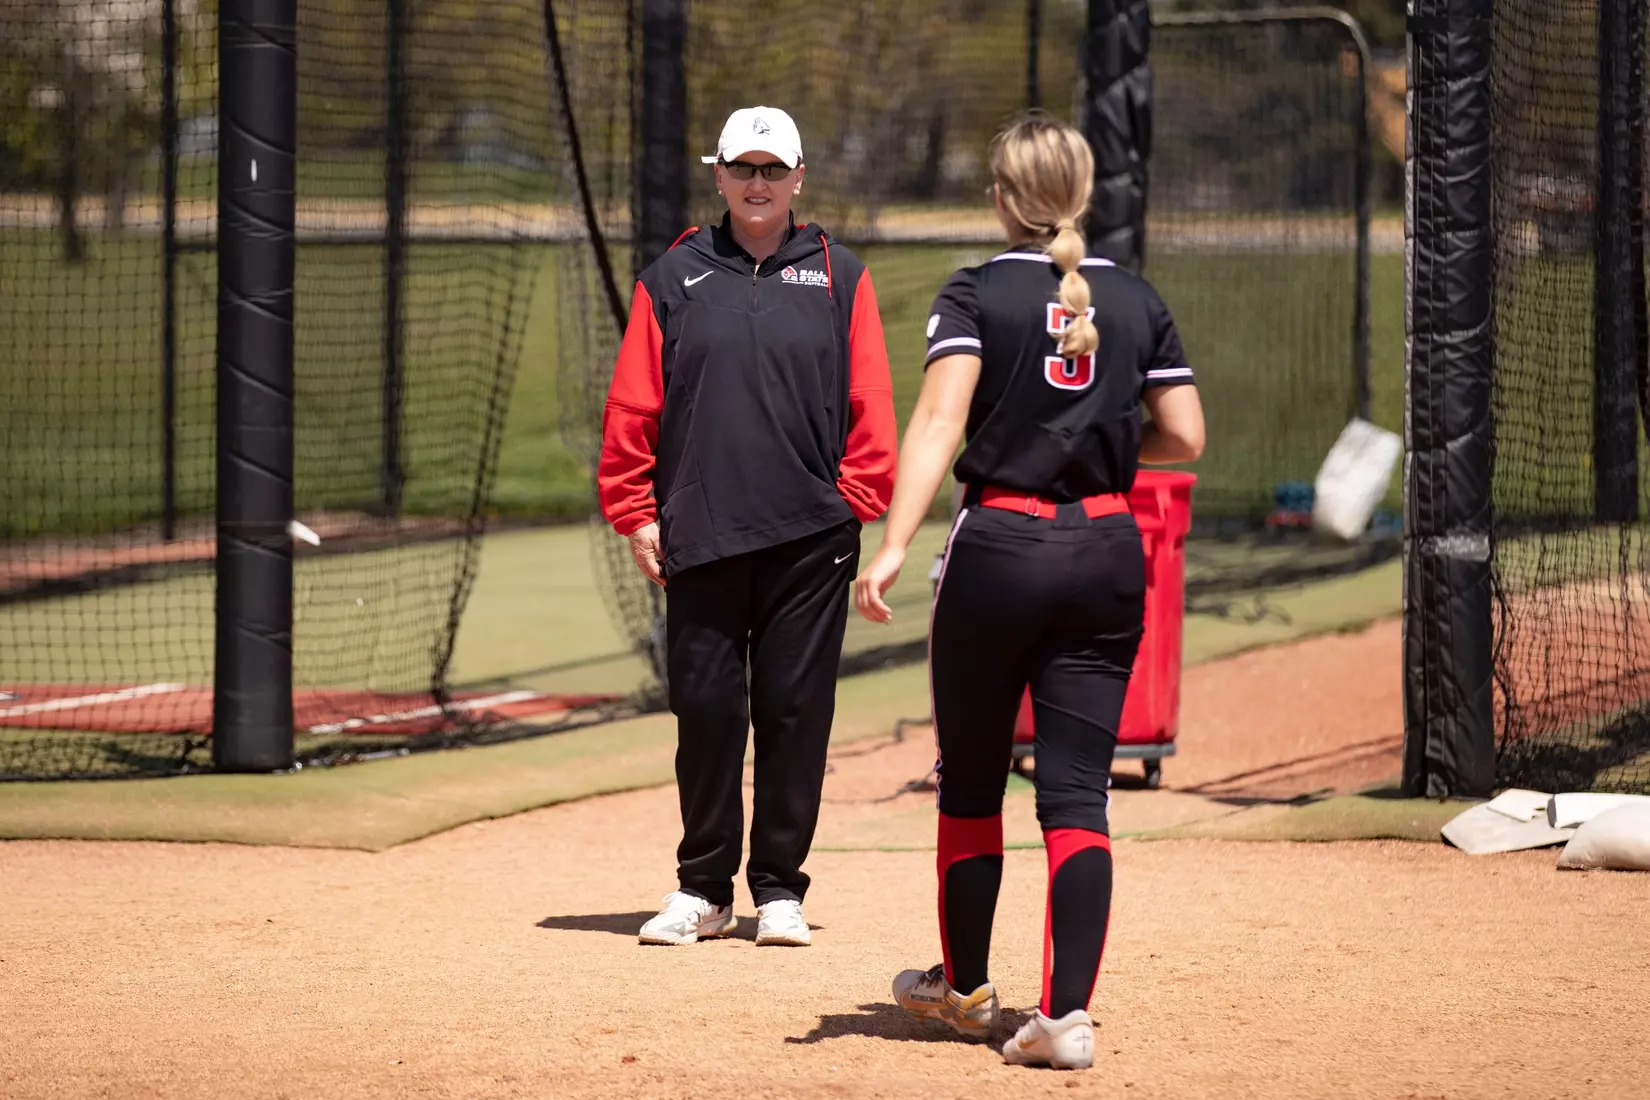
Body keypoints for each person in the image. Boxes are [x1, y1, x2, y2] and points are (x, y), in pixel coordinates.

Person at [853, 112, 1205, 1068]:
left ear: (1004, 198)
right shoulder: (1134, 296)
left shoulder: (976, 290)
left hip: (1000, 548)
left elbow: (939, 423)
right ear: (1082, 195)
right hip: (1107, 547)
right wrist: (1099, 438)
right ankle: (1066, 1020)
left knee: (972, 780)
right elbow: (1185, 435)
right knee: (1079, 794)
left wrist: (893, 546)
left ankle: (967, 995)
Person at [599, 106, 897, 948]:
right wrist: (636, 512)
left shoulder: (842, 275)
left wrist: (852, 501)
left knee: (795, 712)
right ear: (719, 174)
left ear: (799, 177)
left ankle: (778, 890)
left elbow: (872, 401)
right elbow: (633, 405)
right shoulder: (672, 276)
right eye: (742, 168)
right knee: (707, 711)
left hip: (810, 537)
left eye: (772, 169)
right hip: (701, 532)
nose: (757, 183)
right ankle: (704, 889)